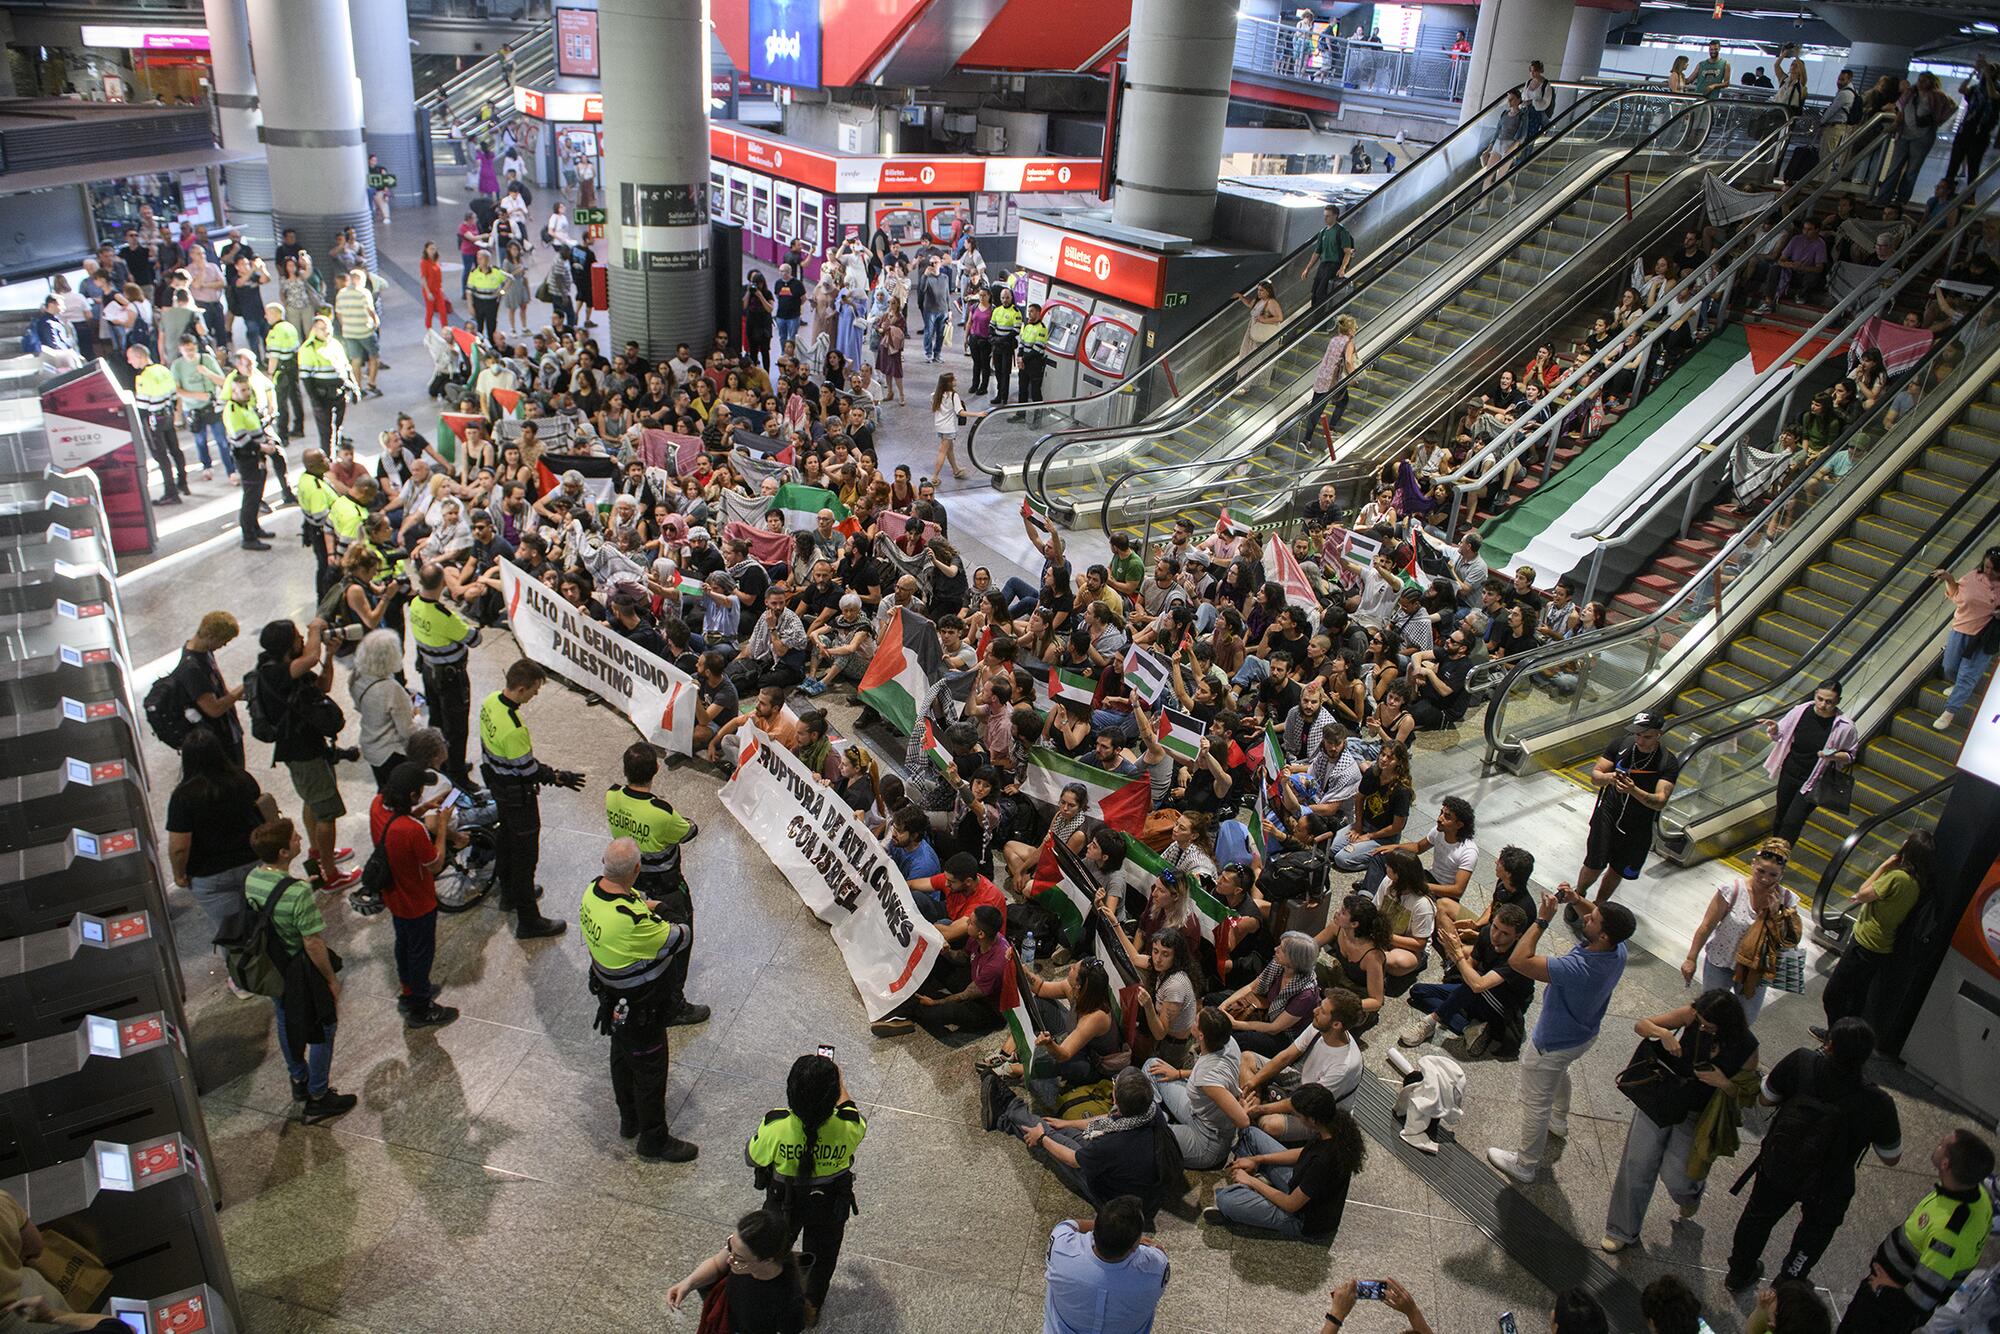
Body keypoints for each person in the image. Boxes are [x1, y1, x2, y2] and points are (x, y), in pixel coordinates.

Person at [1726, 1018, 1903, 1290]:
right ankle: (1789, 1280)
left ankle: (1739, 1273)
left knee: (1758, 1217)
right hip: (1829, 1182)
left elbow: (1765, 1099)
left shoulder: (1801, 1061)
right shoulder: (1878, 1102)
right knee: (1815, 1232)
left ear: (1829, 1045)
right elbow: (1891, 1156)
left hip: (1780, 1163)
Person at [1486, 885, 1635, 1185]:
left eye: (1592, 919)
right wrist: (1577, 900)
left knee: (1535, 1101)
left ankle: (1525, 1164)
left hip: (1552, 1041)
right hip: (1583, 1033)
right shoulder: (1618, 950)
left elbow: (1519, 962)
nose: (1585, 918)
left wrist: (1541, 921)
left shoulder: (1580, 967)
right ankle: (1559, 1120)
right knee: (1560, 1074)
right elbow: (1594, 915)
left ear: (1603, 935)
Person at [1602, 989, 1758, 1253]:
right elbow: (1642, 1025)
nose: (1704, 1028)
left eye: (1710, 1026)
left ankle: (1691, 1194)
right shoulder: (1691, 1015)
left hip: (1697, 1114)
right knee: (1637, 1163)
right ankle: (1621, 1229)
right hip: (1662, 1098)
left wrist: (1724, 1083)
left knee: (1678, 1177)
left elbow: (1748, 1095)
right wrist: (1662, 1033)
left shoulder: (1746, 1048)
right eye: (1702, 1022)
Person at [579, 837, 698, 1163]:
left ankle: (629, 1119)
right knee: (650, 1070)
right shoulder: (631, 922)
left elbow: (629, 903)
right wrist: (662, 907)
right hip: (642, 1006)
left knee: (621, 1055)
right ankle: (654, 1139)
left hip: (612, 1000)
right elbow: (680, 935)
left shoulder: (592, 893)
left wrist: (641, 906)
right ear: (636, 869)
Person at [245, 817, 358, 1122]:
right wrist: (331, 980)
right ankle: (319, 1095)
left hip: (274, 966)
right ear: (283, 853)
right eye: (295, 838)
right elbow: (312, 942)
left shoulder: (253, 877)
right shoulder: (297, 893)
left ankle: (299, 1078)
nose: (299, 840)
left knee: (284, 1016)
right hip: (301, 970)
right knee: (324, 1027)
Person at [746, 1053, 867, 1325]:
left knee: (773, 1250)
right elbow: (848, 1107)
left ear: (791, 1092)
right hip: (830, 1202)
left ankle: (769, 1301)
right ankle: (810, 1309)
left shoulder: (776, 1125)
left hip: (783, 1200)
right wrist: (839, 1081)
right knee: (823, 1258)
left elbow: (753, 1157)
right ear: (833, 1094)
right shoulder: (849, 1126)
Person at [1835, 1130, 1994, 1334]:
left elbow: (1921, 1298)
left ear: (1946, 1164)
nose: (1937, 1144)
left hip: (1884, 1310)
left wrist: (1883, 1290)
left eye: (1941, 1145)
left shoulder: (1946, 1236)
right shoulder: (1978, 1195)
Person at [607, 741, 708, 1025]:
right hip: (666, 890)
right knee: (678, 942)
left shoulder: (611, 797)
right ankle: (674, 1005)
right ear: (656, 768)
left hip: (629, 883)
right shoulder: (660, 812)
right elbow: (689, 830)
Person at [253, 618, 357, 893]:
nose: (303, 639)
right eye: (299, 636)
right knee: (326, 811)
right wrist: (315, 629)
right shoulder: (275, 671)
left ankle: (319, 853)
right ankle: (331, 874)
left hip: (308, 747)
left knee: (313, 801)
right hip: (303, 752)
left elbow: (322, 686)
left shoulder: (289, 668)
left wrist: (331, 655)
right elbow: (311, 657)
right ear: (288, 645)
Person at [987, 1066, 1172, 1220]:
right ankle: (1004, 1120)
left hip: (1117, 1205)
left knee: (1049, 1133)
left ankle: (1011, 1106)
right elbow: (1109, 1119)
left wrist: (1042, 1139)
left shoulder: (1112, 1145)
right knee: (1062, 1129)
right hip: (1145, 1190)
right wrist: (1067, 1123)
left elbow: (1073, 1159)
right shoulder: (1149, 1111)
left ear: (1116, 1100)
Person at [478, 658, 579, 940]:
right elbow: (527, 770)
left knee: (507, 841)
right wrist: (557, 776)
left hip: (496, 784)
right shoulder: (513, 728)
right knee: (525, 857)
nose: (536, 695)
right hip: (517, 796)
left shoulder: (490, 702)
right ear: (521, 688)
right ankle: (528, 919)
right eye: (534, 689)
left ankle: (509, 892)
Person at [1204, 1083, 1364, 1238]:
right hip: (1299, 1181)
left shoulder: (1324, 1161)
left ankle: (1251, 1190)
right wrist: (1257, 1159)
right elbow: (1303, 1153)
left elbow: (1291, 1204)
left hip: (1302, 1217)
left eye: (1299, 1115)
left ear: (1312, 1120)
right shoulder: (1331, 1125)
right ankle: (1257, 1186)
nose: (1296, 1117)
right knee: (1252, 1135)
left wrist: (1252, 1182)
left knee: (1226, 1200)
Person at [369, 762, 459, 1029]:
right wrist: (442, 826)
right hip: (418, 902)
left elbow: (395, 823)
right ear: (411, 795)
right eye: (420, 791)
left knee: (403, 945)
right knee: (421, 953)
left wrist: (420, 811)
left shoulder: (376, 806)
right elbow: (435, 863)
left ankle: (408, 990)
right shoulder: (411, 830)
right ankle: (420, 1007)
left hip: (394, 896)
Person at [1679, 837, 1802, 1026]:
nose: (1765, 879)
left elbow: (1788, 941)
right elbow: (1707, 926)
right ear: (1753, 864)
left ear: (1781, 875)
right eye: (1761, 871)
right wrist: (1691, 958)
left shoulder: (1787, 900)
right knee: (1709, 1012)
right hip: (1721, 961)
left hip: (1755, 968)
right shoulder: (1732, 890)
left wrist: (1777, 913)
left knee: (1745, 1020)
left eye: (1773, 875)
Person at [165, 726, 269, 934]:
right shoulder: (242, 779)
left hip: (211, 874)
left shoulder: (183, 797)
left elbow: (179, 846)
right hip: (253, 861)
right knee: (268, 925)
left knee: (233, 937)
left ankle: (245, 966)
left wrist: (179, 874)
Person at [1822, 830, 1932, 1027]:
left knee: (1833, 994)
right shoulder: (1917, 883)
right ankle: (1842, 1040)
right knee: (1856, 998)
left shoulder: (1897, 877)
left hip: (1865, 942)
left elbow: (1862, 893)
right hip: (1881, 947)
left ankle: (1835, 1040)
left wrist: (1884, 865)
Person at [1400, 902, 1534, 1056]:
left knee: (1473, 984)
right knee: (1419, 991)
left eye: (1504, 933)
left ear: (1518, 936)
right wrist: (1460, 958)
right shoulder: (1486, 933)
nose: (1496, 936)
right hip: (1478, 990)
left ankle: (1430, 1022)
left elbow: (1478, 984)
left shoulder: (1517, 959)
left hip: (1504, 1006)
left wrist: (1457, 955)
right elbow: (1470, 965)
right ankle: (1469, 1029)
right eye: (1495, 927)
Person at [1575, 711, 1681, 905]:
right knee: (1595, 862)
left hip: (1636, 823)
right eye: (1637, 734)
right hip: (1609, 811)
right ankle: (1579, 895)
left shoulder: (1667, 762)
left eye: (1646, 736)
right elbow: (1595, 775)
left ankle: (1599, 906)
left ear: (1659, 734)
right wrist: (1610, 778)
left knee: (1617, 869)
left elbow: (1660, 800)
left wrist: (1633, 790)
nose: (1640, 740)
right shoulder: (1621, 745)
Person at [1237, 987, 1365, 1141]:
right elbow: (1286, 1057)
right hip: (1303, 1083)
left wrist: (1262, 1110)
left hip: (1318, 1113)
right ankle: (1251, 1107)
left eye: (1322, 1011)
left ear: (1336, 1025)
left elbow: (1306, 1101)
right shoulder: (1319, 1026)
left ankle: (1252, 1113)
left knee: (1269, 1124)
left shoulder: (1343, 1066)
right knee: (1247, 1058)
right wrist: (1252, 1082)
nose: (1315, 1011)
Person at [1043, 1196, 1171, 1334]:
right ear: (1134, 1245)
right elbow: (1159, 1252)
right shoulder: (1155, 1272)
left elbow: (1071, 1224)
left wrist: (1108, 1227)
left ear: (1096, 1229)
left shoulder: (1060, 1247)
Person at [665, 1209, 806, 1332]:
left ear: (767, 1260)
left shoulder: (789, 1301)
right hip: (730, 1316)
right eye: (730, 1247)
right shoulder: (741, 1255)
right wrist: (688, 1283)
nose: (729, 1260)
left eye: (739, 1258)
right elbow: (717, 1264)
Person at [1145, 1005, 1249, 1170]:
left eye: (1195, 1021)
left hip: (1207, 1141)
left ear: (1201, 1035)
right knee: (1152, 1066)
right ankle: (1158, 1116)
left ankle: (1155, 1121)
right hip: (1195, 1111)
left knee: (1143, 1137)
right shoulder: (1228, 1042)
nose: (1191, 1021)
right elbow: (1207, 1072)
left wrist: (1241, 1104)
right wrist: (1178, 1073)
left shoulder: (1207, 1079)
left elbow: (1243, 1120)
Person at [1760, 681, 1858, 844]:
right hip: (1790, 772)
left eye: (1829, 702)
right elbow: (1781, 734)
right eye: (1820, 699)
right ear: (1815, 695)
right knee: (1781, 817)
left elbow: (1851, 755)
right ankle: (1772, 853)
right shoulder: (1800, 711)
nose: (1823, 705)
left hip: (1814, 781)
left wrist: (1833, 755)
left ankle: (1779, 858)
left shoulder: (1845, 727)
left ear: (1838, 701)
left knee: (1792, 822)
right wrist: (1775, 730)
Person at [407, 563, 478, 787]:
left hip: (429, 670)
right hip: (450, 677)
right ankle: (456, 772)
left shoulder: (415, 603)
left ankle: (441, 762)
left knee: (437, 719)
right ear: (442, 583)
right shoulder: (444, 616)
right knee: (456, 727)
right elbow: (475, 639)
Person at [1929, 549, 1998, 729]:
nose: (1989, 571)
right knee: (1950, 667)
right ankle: (1958, 685)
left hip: (1983, 638)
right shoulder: (1974, 576)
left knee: (1967, 676)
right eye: (1987, 566)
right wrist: (1949, 579)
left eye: (1994, 569)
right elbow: (1956, 595)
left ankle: (1949, 712)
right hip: (1960, 628)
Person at [170, 610, 248, 765]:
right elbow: (214, 709)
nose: (224, 645)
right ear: (211, 637)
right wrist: (244, 687)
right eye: (224, 641)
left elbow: (215, 689)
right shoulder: (191, 669)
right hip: (217, 740)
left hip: (228, 729)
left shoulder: (203, 652)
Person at [350, 628, 414, 789]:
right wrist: (416, 714)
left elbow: (359, 706)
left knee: (384, 791)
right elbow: (407, 731)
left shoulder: (356, 676)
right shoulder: (391, 689)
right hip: (392, 752)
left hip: (370, 746)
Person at [127, 344, 189, 504]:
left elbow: (142, 407)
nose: (129, 361)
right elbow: (174, 394)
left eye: (130, 357)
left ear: (139, 356)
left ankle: (171, 492)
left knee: (161, 456)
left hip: (153, 421)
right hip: (168, 415)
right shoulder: (163, 370)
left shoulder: (143, 377)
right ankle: (183, 482)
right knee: (175, 450)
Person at [1301, 202, 1356, 307]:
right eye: (1324, 216)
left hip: (1334, 265)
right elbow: (1317, 252)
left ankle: (1320, 318)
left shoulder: (1341, 231)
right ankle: (1314, 316)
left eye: (1328, 216)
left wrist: (1342, 268)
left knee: (1322, 292)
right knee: (1315, 293)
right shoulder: (1323, 232)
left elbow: (1347, 252)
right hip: (1323, 264)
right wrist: (1307, 268)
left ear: (1335, 216)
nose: (1325, 219)